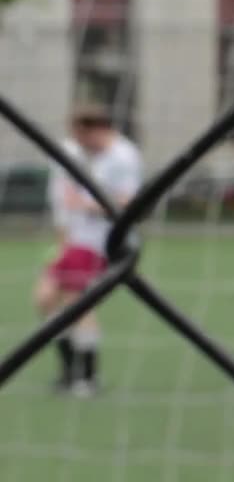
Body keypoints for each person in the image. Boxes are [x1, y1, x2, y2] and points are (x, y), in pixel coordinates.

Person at [36, 104, 142, 397]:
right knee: (45, 298)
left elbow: (129, 204)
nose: (79, 142)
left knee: (76, 301)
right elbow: (65, 200)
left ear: (94, 130)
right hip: (76, 241)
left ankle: (88, 376)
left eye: (81, 136)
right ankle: (69, 370)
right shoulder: (83, 154)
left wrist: (84, 204)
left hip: (102, 242)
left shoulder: (123, 156)